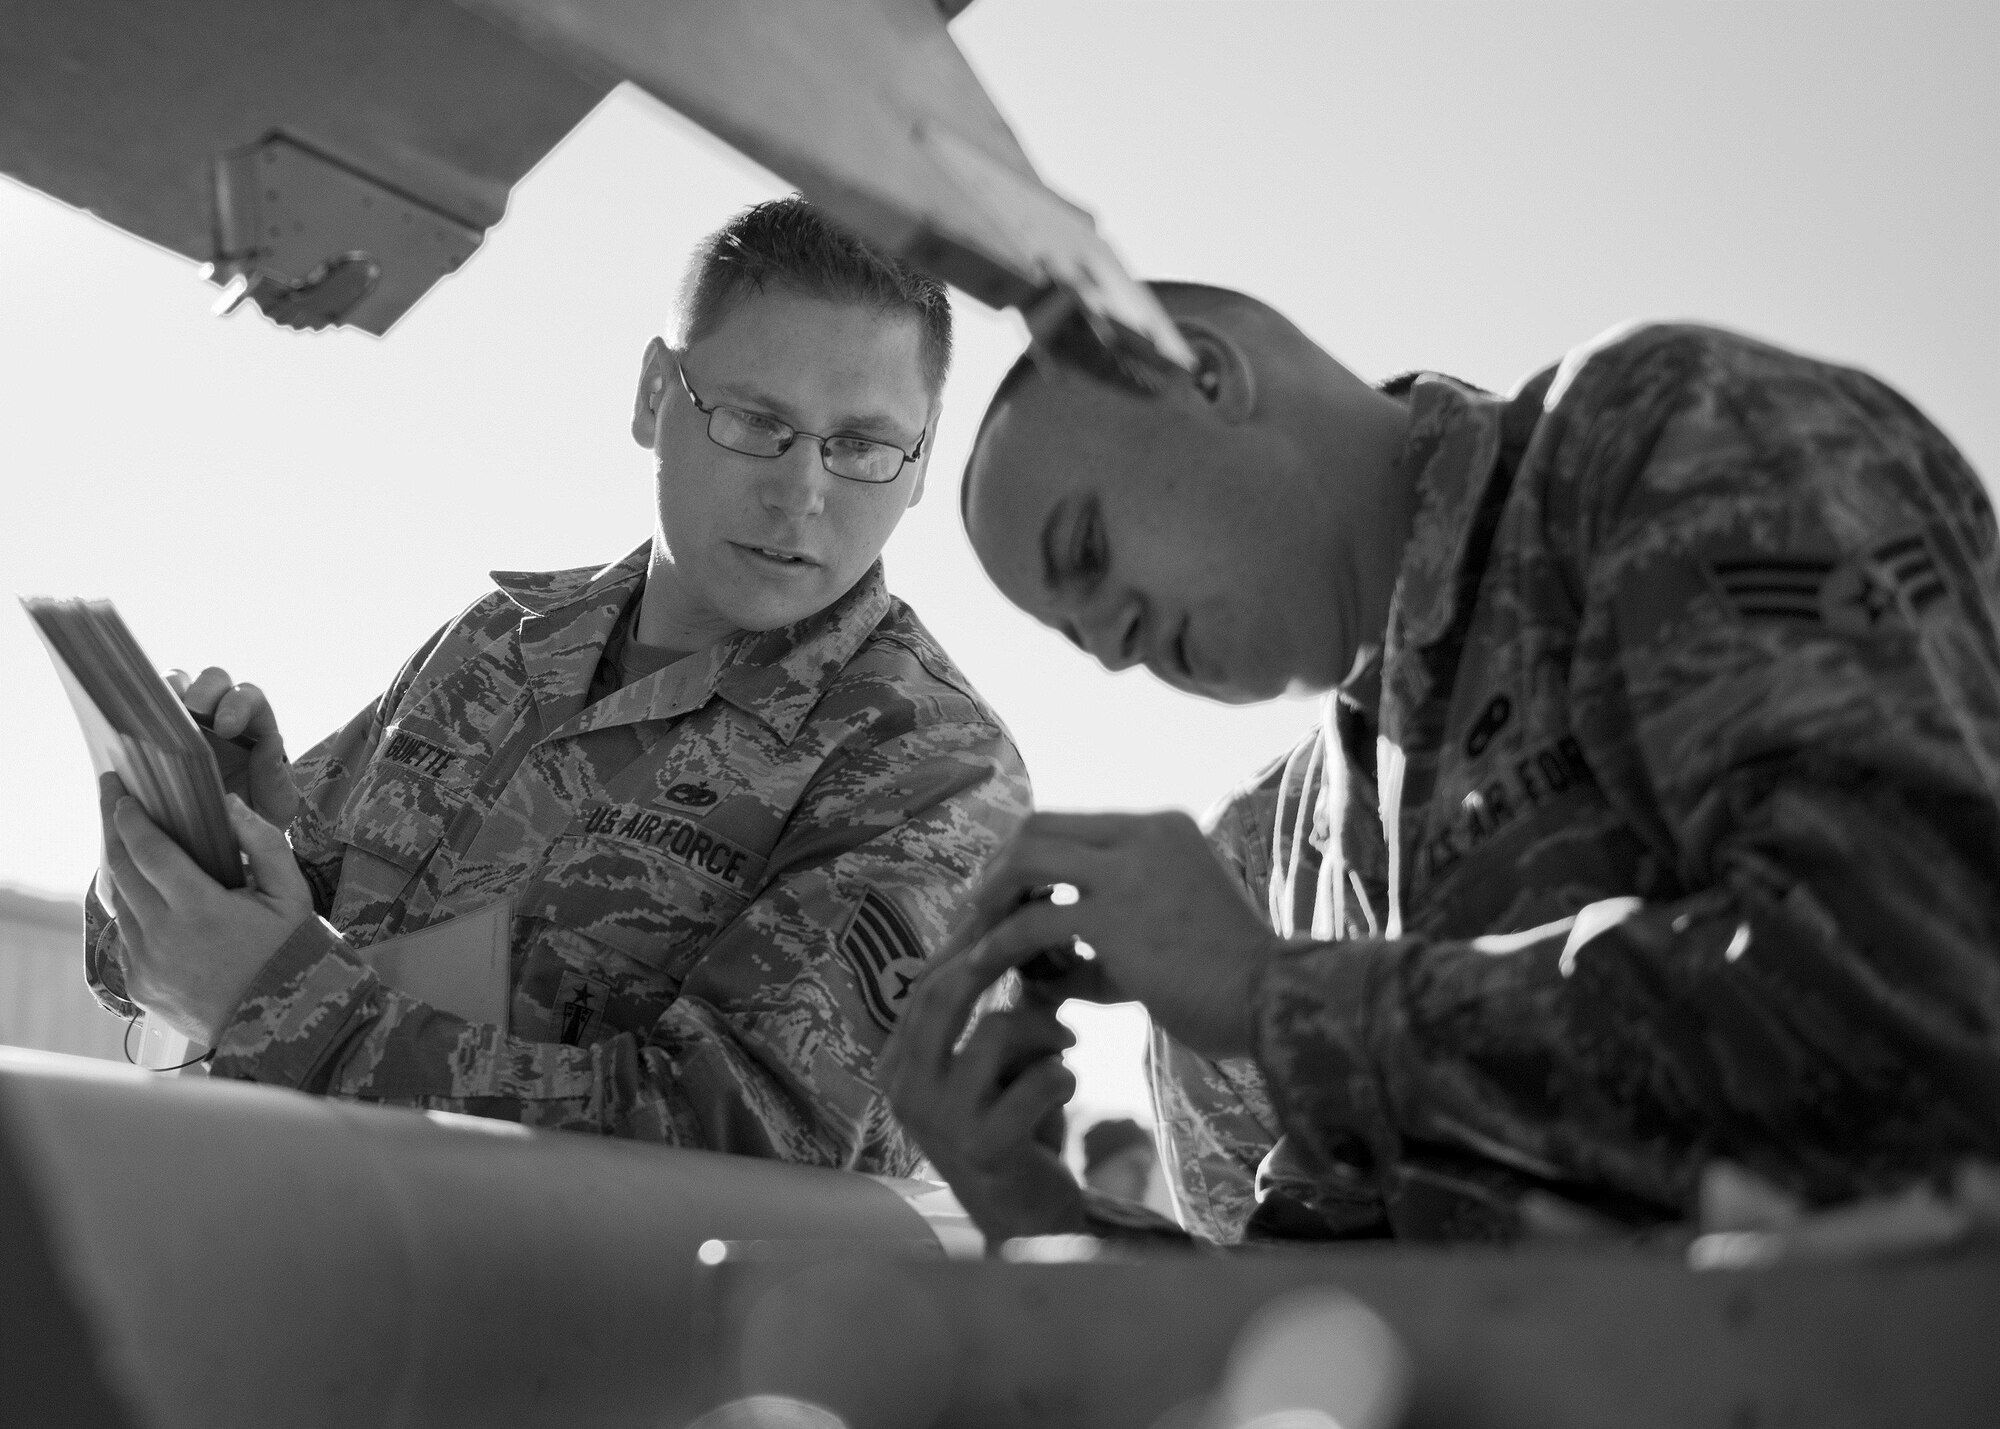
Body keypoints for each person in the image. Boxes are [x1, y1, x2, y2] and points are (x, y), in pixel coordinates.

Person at [881, 287, 2000, 1243]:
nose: (1115, 646)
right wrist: (1034, 1210)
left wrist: (1278, 998)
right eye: (1078, 636)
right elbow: (1343, 1341)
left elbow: (1923, 1008)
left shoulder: (1663, 439)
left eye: (1086, 551)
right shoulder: (1292, 841)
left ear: (1204, 375)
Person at [87, 196, 1031, 1172]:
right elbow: (160, 971)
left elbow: (752, 1146)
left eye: (864, 446)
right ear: (655, 395)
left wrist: (273, 1005)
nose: (802, 494)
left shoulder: (926, 764)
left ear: (920, 464)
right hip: (305, 1270)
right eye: (757, 421)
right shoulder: (496, 647)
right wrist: (204, 846)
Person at [1081, 1117, 1159, 1205]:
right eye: (1134, 1167)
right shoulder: (1067, 1215)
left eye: (1147, 1171)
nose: (1144, 1182)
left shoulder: (1147, 1218)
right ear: (1095, 1169)